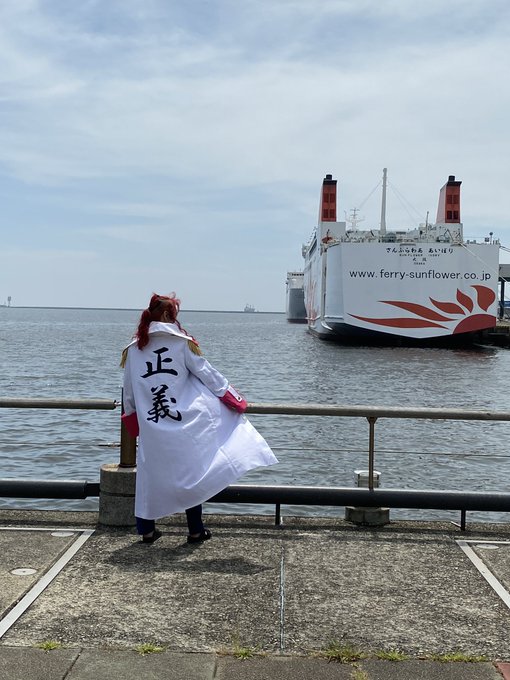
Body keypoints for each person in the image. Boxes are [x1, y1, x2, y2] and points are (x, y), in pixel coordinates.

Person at [121, 293, 278, 544]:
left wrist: (132, 421)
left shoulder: (134, 349)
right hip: (181, 421)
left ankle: (146, 530)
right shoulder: (182, 343)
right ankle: (195, 530)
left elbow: (128, 392)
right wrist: (232, 397)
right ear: (167, 315)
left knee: (150, 475)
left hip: (152, 424)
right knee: (190, 471)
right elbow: (207, 373)